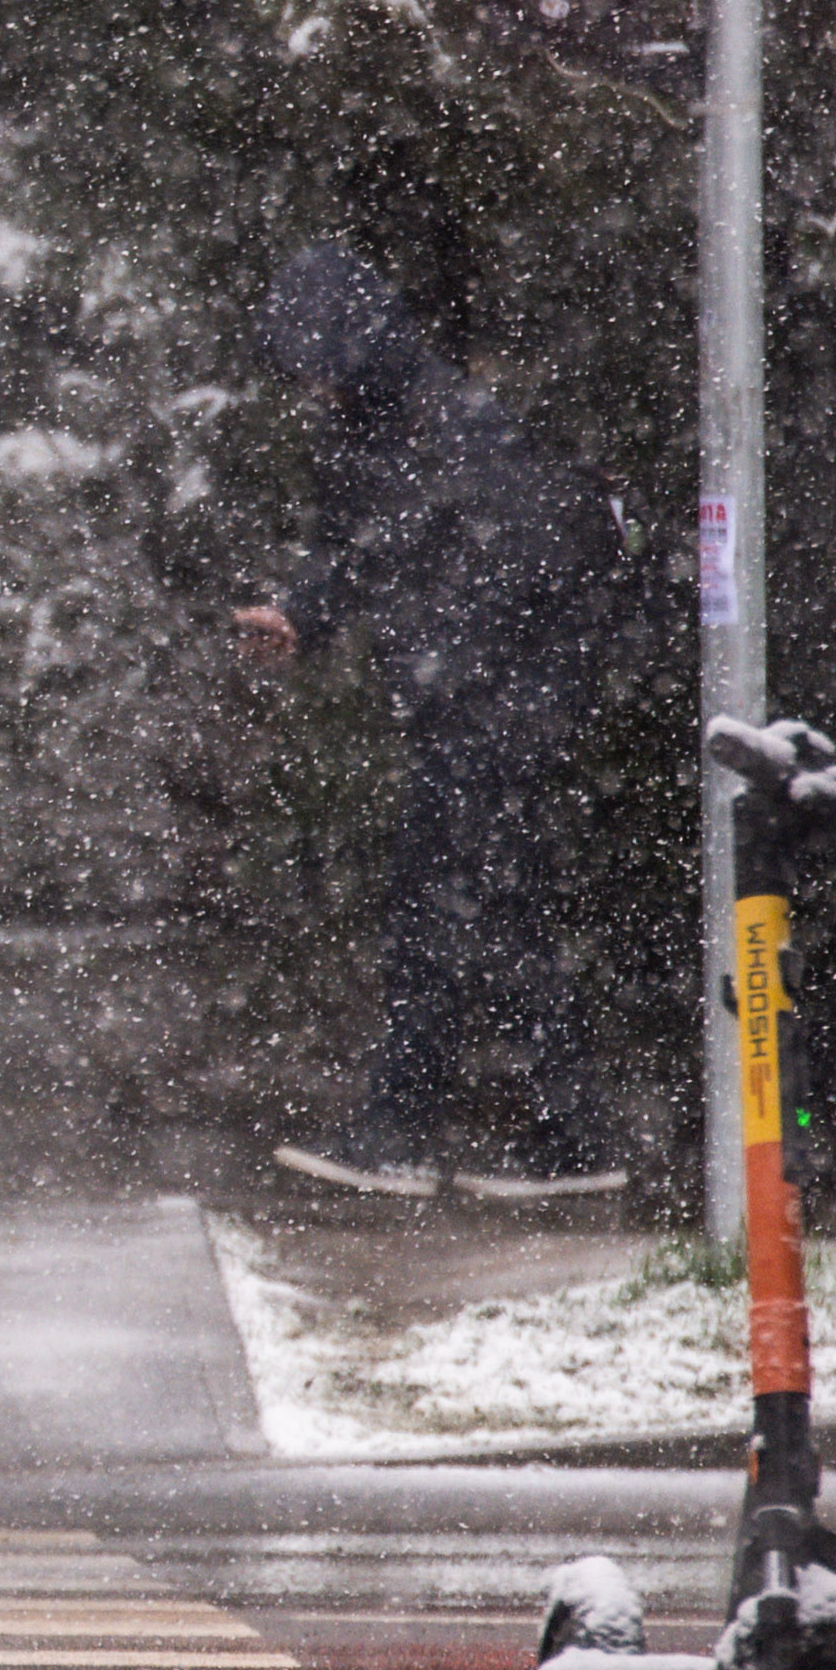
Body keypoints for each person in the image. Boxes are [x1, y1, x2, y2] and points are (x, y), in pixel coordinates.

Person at [228, 244, 627, 1202]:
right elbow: (349, 546)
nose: (311, 389)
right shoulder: (368, 433)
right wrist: (303, 613)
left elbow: (516, 566)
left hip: (500, 702)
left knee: (449, 909)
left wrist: (461, 676)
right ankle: (560, 1136)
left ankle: (417, 1127)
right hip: (465, 700)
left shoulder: (457, 426)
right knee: (488, 908)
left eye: (317, 366)